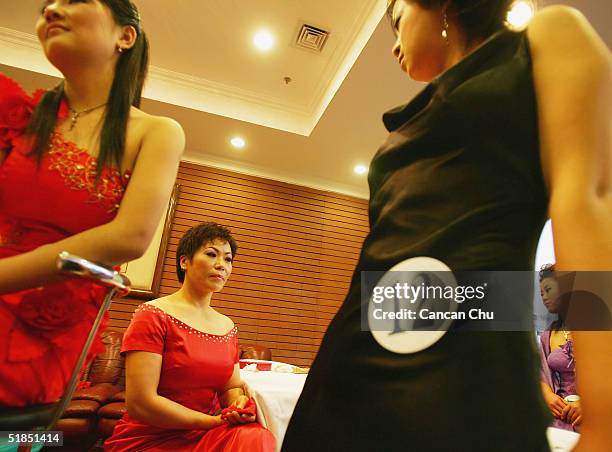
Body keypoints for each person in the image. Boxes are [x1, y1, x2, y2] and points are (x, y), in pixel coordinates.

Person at [283, 1, 611, 451]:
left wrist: (606, 419)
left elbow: (588, 205)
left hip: (466, 368)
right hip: (350, 359)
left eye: (397, 25)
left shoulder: (543, 40)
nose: (395, 46)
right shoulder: (403, 122)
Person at [0, 0, 184, 407]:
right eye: (45, 5)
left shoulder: (155, 132)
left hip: (38, 328)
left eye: (73, 0)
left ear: (125, 35)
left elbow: (131, 236)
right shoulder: (17, 116)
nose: (50, 10)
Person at [104, 222, 275, 452]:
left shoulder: (227, 326)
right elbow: (140, 403)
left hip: (207, 432)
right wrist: (212, 421)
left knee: (256, 436)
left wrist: (237, 404)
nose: (221, 265)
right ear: (184, 261)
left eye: (228, 259)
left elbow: (229, 388)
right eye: (211, 254)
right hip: (152, 436)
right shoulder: (153, 314)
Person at [538, 264, 581, 431]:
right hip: (560, 419)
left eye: (548, 289)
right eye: (541, 293)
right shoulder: (547, 335)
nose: (544, 297)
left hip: (596, 415)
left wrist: (589, 404)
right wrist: (548, 395)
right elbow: (540, 373)